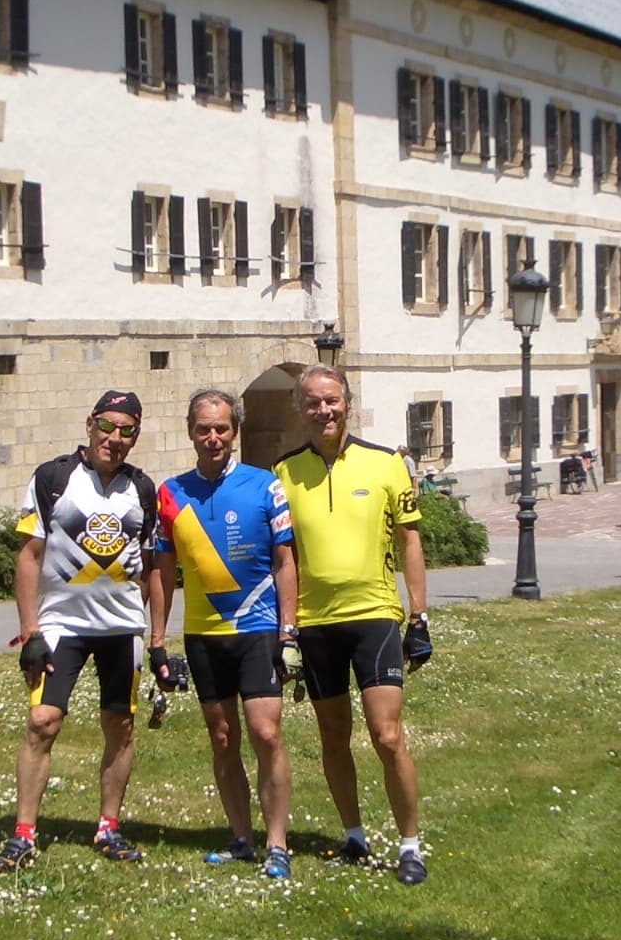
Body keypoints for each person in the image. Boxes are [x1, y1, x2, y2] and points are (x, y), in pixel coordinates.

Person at [0, 389, 159, 872]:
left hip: (122, 630)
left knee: (119, 726)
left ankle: (108, 827)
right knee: (42, 722)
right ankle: (23, 834)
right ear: (90, 424)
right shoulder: (53, 478)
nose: (115, 438)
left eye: (127, 431)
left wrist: (146, 628)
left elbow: (150, 567)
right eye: (107, 426)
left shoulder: (142, 489)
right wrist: (29, 630)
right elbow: (28, 555)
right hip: (61, 626)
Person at [273, 365, 432, 886]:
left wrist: (419, 616)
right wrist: (287, 630)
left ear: (347, 403)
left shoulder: (386, 463)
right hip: (316, 623)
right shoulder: (284, 472)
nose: (324, 410)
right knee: (332, 736)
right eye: (313, 402)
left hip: (374, 616)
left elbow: (410, 541)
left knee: (387, 736)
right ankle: (354, 835)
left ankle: (410, 844)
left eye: (332, 400)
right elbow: (284, 557)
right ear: (301, 410)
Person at [146, 388, 299, 880]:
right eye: (203, 429)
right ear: (190, 431)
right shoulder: (170, 493)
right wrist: (156, 641)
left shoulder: (264, 485)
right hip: (203, 635)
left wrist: (289, 631)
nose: (213, 438)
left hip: (258, 628)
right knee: (222, 737)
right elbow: (161, 572)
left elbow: (285, 562)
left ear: (235, 431)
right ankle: (242, 837)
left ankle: (277, 842)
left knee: (265, 732)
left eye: (222, 429)